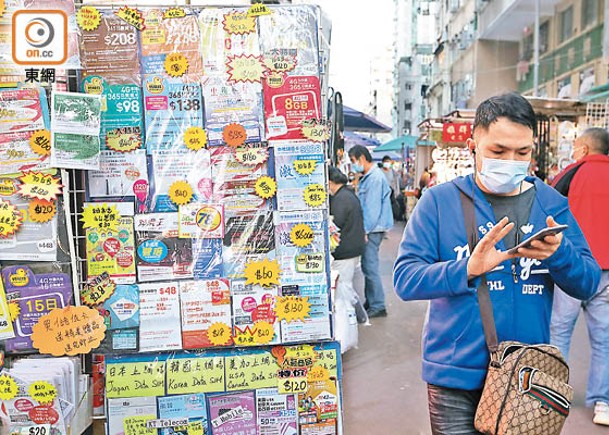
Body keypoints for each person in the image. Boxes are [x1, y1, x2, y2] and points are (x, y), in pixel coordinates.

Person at [393, 92, 601, 434]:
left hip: (527, 378)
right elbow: (405, 278)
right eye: (498, 151)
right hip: (454, 375)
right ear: (473, 147)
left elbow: (589, 281)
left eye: (522, 152)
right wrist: (466, 270)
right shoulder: (438, 202)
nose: (511, 160)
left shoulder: (551, 204)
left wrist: (559, 254)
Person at [550, 127, 609, 426]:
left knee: (560, 330)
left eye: (574, 145)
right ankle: (604, 403)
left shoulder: (568, 175)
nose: (572, 151)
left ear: (585, 149)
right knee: (604, 339)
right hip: (607, 272)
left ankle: (552, 394)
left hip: (572, 268)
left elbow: (543, 210)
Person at [348, 145, 394, 318]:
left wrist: (364, 231)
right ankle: (372, 301)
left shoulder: (374, 178)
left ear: (361, 158)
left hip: (373, 229)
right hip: (373, 228)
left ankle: (378, 304)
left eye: (353, 161)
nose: (353, 165)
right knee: (368, 266)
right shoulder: (369, 176)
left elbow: (372, 210)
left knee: (370, 265)